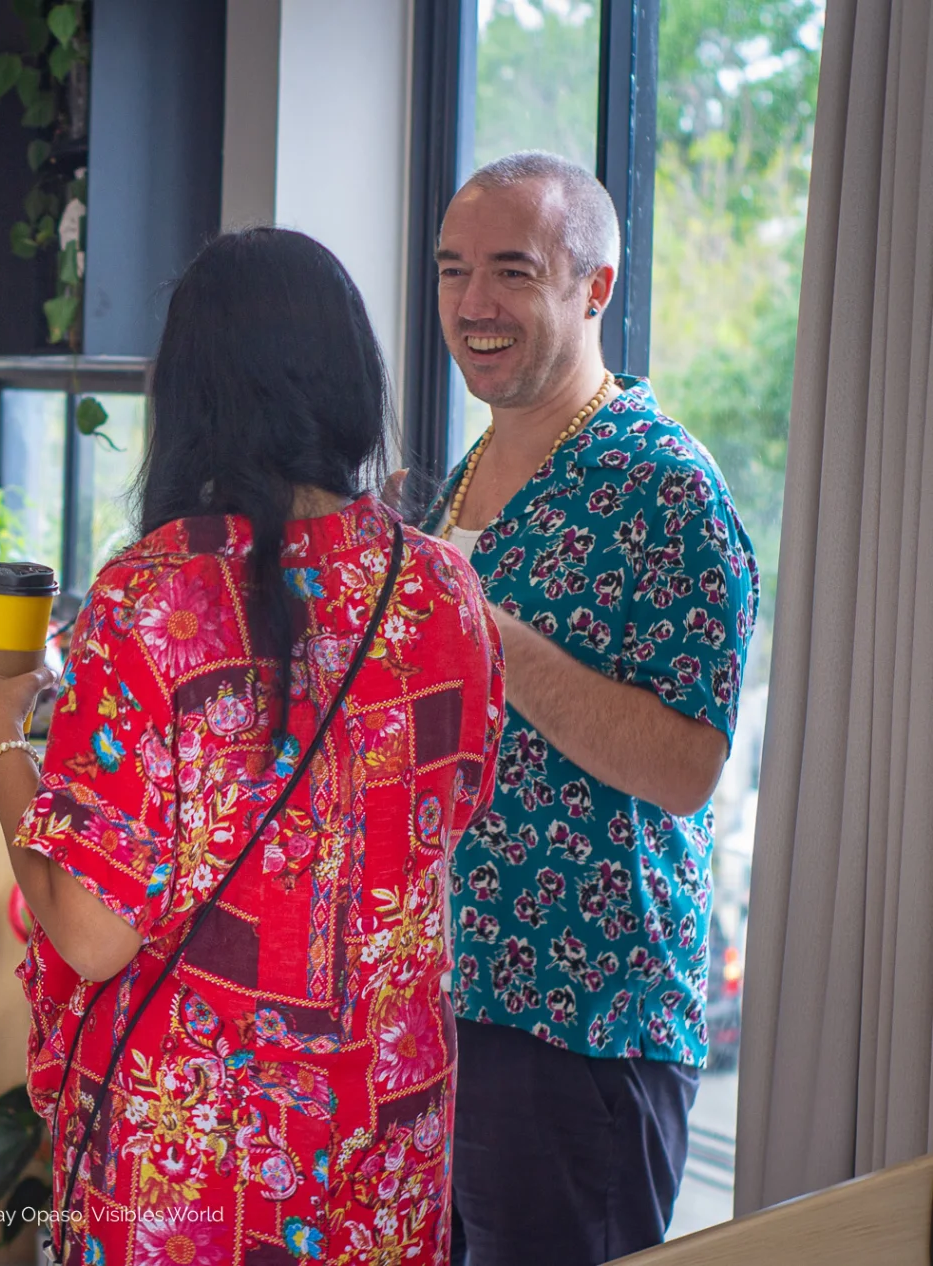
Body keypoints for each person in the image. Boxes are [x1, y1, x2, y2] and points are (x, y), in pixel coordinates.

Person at [0, 228, 505, 1265]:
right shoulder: (443, 590)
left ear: (191, 393)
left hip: (202, 1154)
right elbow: (436, 819)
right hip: (385, 1127)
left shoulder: (154, 599)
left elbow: (93, 932)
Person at [423, 152, 760, 1265]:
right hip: (439, 1002)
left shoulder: (667, 488)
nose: (473, 303)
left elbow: (686, 768)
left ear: (595, 287)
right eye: (453, 270)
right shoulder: (466, 474)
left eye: (511, 272)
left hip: (578, 1028)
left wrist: (486, 632)